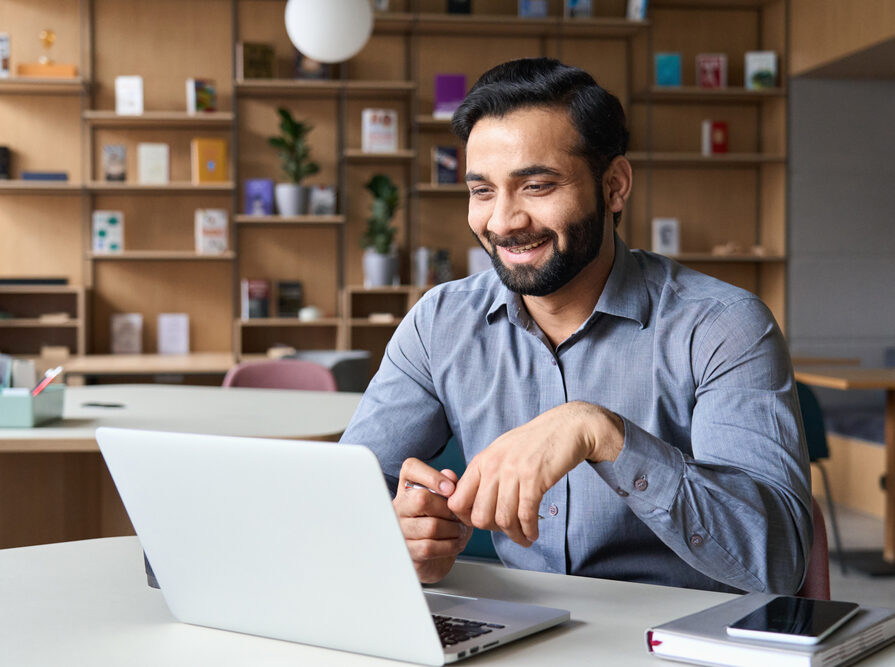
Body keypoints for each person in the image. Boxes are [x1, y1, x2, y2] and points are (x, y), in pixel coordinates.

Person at [340, 58, 812, 594]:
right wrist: (396, 536)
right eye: (482, 191)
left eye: (537, 186)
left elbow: (777, 562)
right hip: (519, 628)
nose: (502, 222)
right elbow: (343, 499)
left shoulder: (723, 326)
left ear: (614, 186)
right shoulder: (440, 323)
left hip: (678, 638)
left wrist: (601, 433)